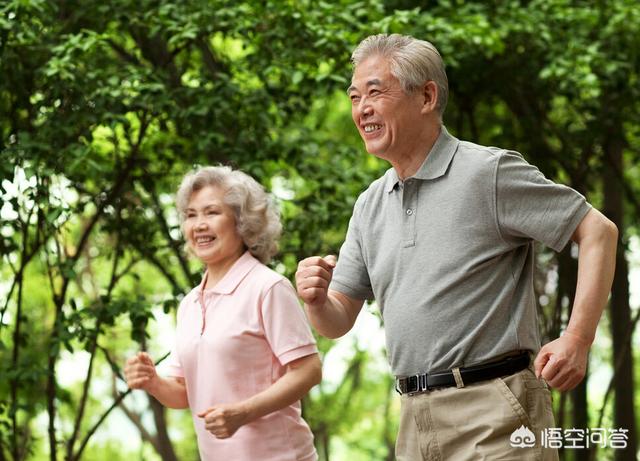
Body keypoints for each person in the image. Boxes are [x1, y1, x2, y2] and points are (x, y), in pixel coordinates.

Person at [295, 34, 618, 460]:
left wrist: (577, 338)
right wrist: (315, 298)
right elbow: (336, 320)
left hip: (497, 410)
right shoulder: (369, 204)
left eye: (375, 92)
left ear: (427, 96)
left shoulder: (488, 173)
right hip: (414, 417)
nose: (362, 109)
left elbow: (598, 231)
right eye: (355, 97)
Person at [125, 166, 321, 461]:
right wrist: (152, 381)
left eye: (211, 213)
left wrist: (243, 413)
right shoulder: (189, 305)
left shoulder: (268, 287)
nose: (199, 225)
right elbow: (183, 392)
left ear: (243, 222)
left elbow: (308, 371)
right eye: (191, 215)